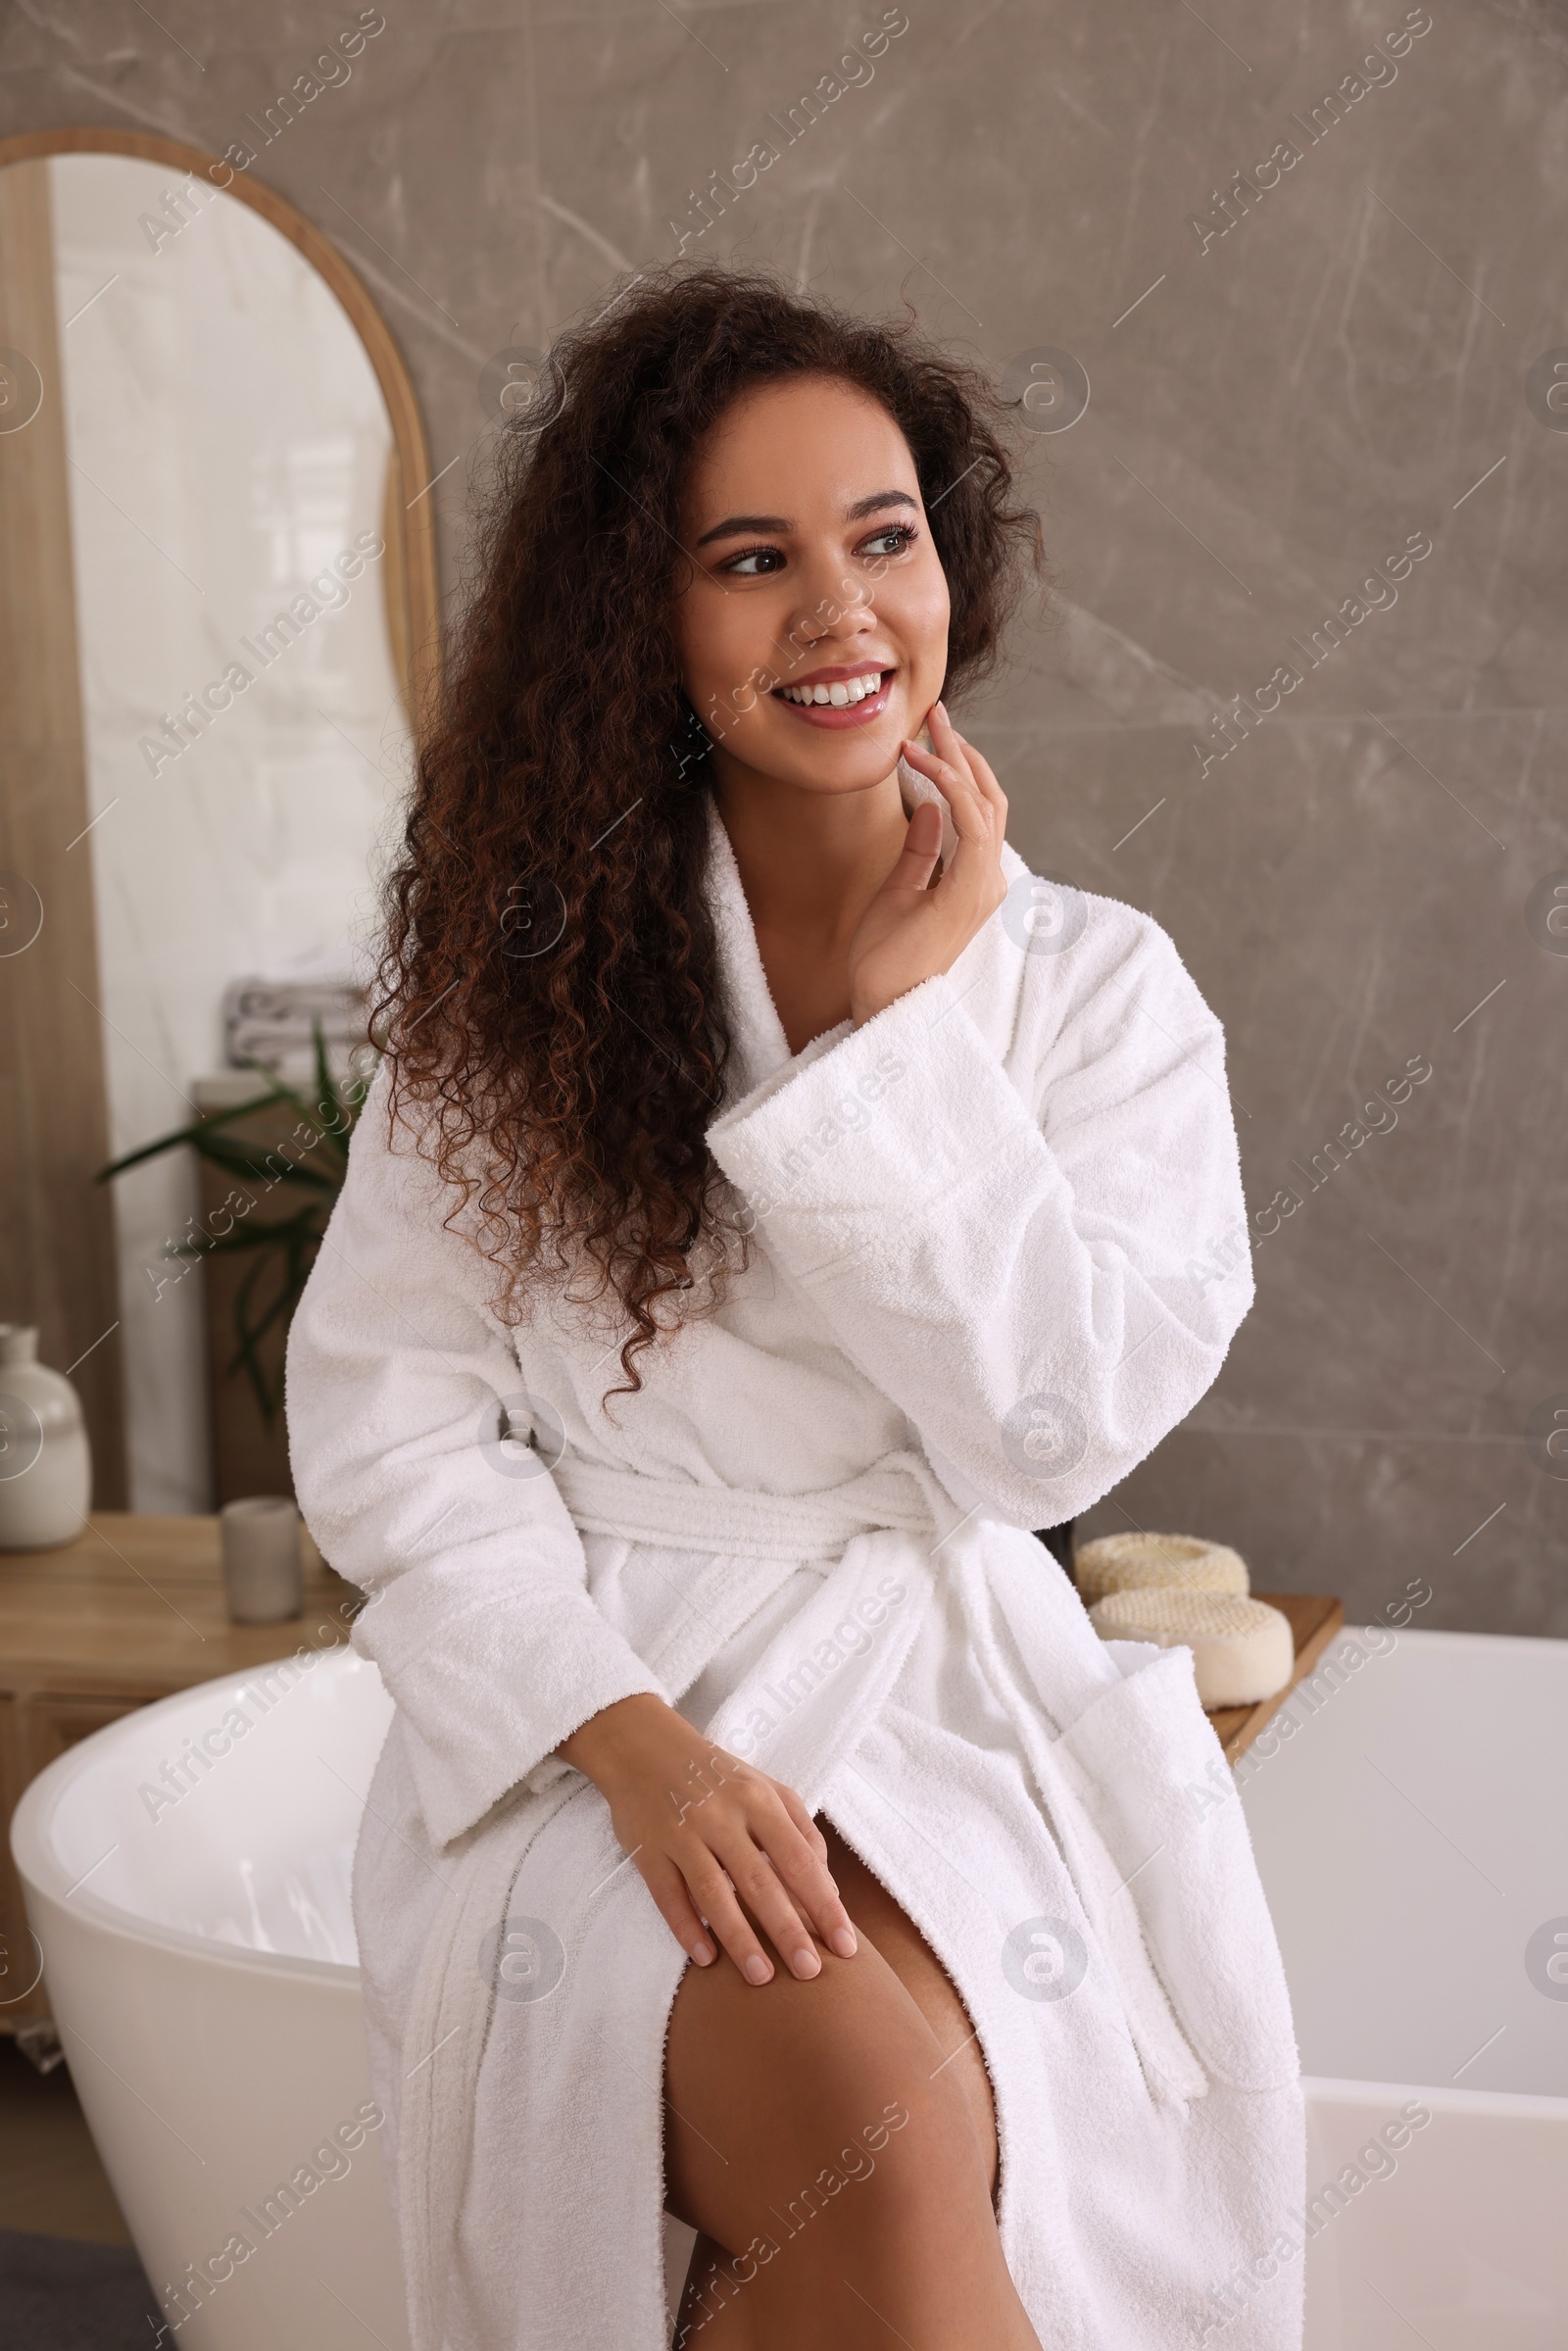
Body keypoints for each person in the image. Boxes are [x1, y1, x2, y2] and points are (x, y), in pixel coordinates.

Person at [286, 266, 1303, 2351]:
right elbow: (386, 1424)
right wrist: (639, 1754)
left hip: (936, 1693)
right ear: (644, 626)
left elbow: (1048, 1444)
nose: (839, 615)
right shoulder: (516, 997)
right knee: (864, 2099)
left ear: (948, 566)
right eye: (749, 562)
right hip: (599, 1722)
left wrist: (901, 1041)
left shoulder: (1094, 996)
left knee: (882, 2183)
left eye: (882, 540)